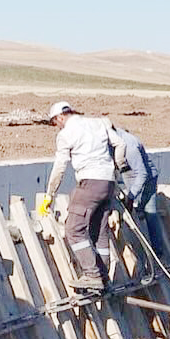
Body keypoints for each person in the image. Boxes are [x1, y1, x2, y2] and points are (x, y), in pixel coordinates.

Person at [40, 101, 122, 293]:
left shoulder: (66, 134)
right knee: (98, 230)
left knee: (74, 229)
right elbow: (120, 144)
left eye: (55, 123)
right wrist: (118, 168)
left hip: (90, 182)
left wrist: (49, 194)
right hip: (108, 183)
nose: (56, 127)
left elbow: (60, 166)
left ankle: (92, 275)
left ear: (60, 117)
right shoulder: (98, 123)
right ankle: (103, 277)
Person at [114, 126, 165, 259]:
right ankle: (143, 252)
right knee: (135, 213)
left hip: (147, 178)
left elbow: (142, 174)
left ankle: (157, 253)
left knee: (149, 212)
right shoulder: (114, 140)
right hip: (129, 174)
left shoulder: (130, 146)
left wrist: (131, 196)